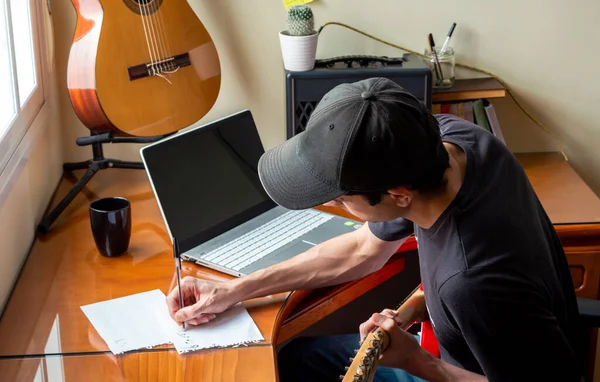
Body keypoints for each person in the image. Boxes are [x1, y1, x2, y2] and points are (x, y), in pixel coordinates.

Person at [166, 77, 584, 382]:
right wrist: (235, 290)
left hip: (455, 368)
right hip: (454, 342)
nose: (333, 206)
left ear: (398, 194)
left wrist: (419, 363)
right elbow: (363, 251)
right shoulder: (453, 141)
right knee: (293, 359)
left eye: (341, 198)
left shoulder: (473, 283)